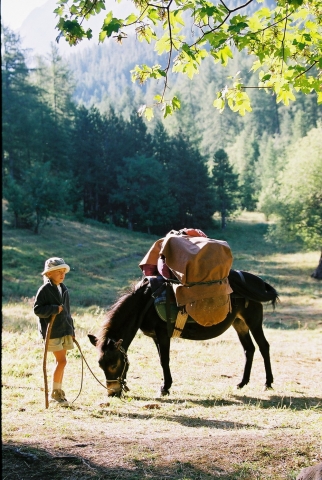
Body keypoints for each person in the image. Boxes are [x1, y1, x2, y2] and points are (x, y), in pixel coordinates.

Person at [33, 257, 75, 405]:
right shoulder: (44, 290)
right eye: (58, 272)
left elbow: (68, 312)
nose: (62, 275)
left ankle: (58, 392)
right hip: (52, 332)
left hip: (64, 330)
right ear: (49, 274)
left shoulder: (63, 289)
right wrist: (53, 309)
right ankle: (55, 393)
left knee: (62, 362)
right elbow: (37, 310)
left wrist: (71, 329)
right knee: (62, 361)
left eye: (63, 272)